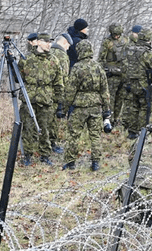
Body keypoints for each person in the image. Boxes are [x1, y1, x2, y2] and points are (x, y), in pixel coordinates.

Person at [61, 40, 110, 172]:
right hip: (96, 106)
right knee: (95, 136)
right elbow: (105, 91)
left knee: (73, 134)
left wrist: (64, 109)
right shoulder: (98, 67)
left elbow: (70, 91)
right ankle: (95, 163)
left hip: (80, 106)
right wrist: (107, 110)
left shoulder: (77, 67)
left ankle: (70, 162)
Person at [18, 32, 64, 166]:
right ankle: (27, 155)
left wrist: (57, 102)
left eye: (50, 42)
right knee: (28, 129)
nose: (49, 45)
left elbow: (58, 83)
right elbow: (19, 77)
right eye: (46, 42)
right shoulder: (26, 59)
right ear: (38, 42)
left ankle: (45, 155)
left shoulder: (53, 60)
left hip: (46, 100)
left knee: (45, 129)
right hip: (29, 99)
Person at [121, 27, 152, 139]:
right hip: (143, 85)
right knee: (144, 107)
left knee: (133, 106)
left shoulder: (130, 49)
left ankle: (132, 131)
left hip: (130, 84)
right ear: (149, 39)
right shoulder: (148, 54)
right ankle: (142, 131)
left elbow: (124, 66)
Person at [99, 23, 127, 127]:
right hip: (111, 74)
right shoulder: (107, 42)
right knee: (110, 97)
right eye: (115, 35)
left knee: (120, 98)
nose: (117, 36)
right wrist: (104, 71)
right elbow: (101, 58)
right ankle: (108, 119)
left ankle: (116, 118)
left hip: (122, 73)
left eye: (118, 34)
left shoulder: (125, 41)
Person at [48, 33, 72, 153]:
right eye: (68, 45)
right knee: (53, 121)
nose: (68, 48)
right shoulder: (62, 55)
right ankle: (52, 144)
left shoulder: (47, 52)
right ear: (63, 42)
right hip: (56, 92)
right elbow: (64, 77)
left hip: (44, 92)